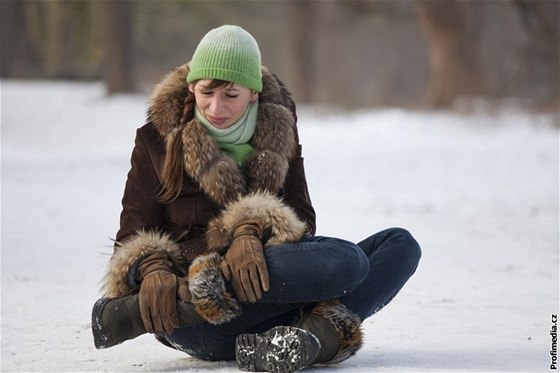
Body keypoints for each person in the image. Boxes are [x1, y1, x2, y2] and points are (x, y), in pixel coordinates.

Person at [92, 25, 421, 373]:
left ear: (254, 93)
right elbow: (131, 236)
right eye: (206, 92)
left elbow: (303, 220)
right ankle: (177, 302)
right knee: (348, 263)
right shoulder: (155, 140)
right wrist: (154, 269)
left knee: (398, 245)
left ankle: (305, 341)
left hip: (269, 300)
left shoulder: (278, 132)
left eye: (230, 95)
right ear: (192, 86)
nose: (215, 107)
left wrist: (251, 227)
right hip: (194, 324)